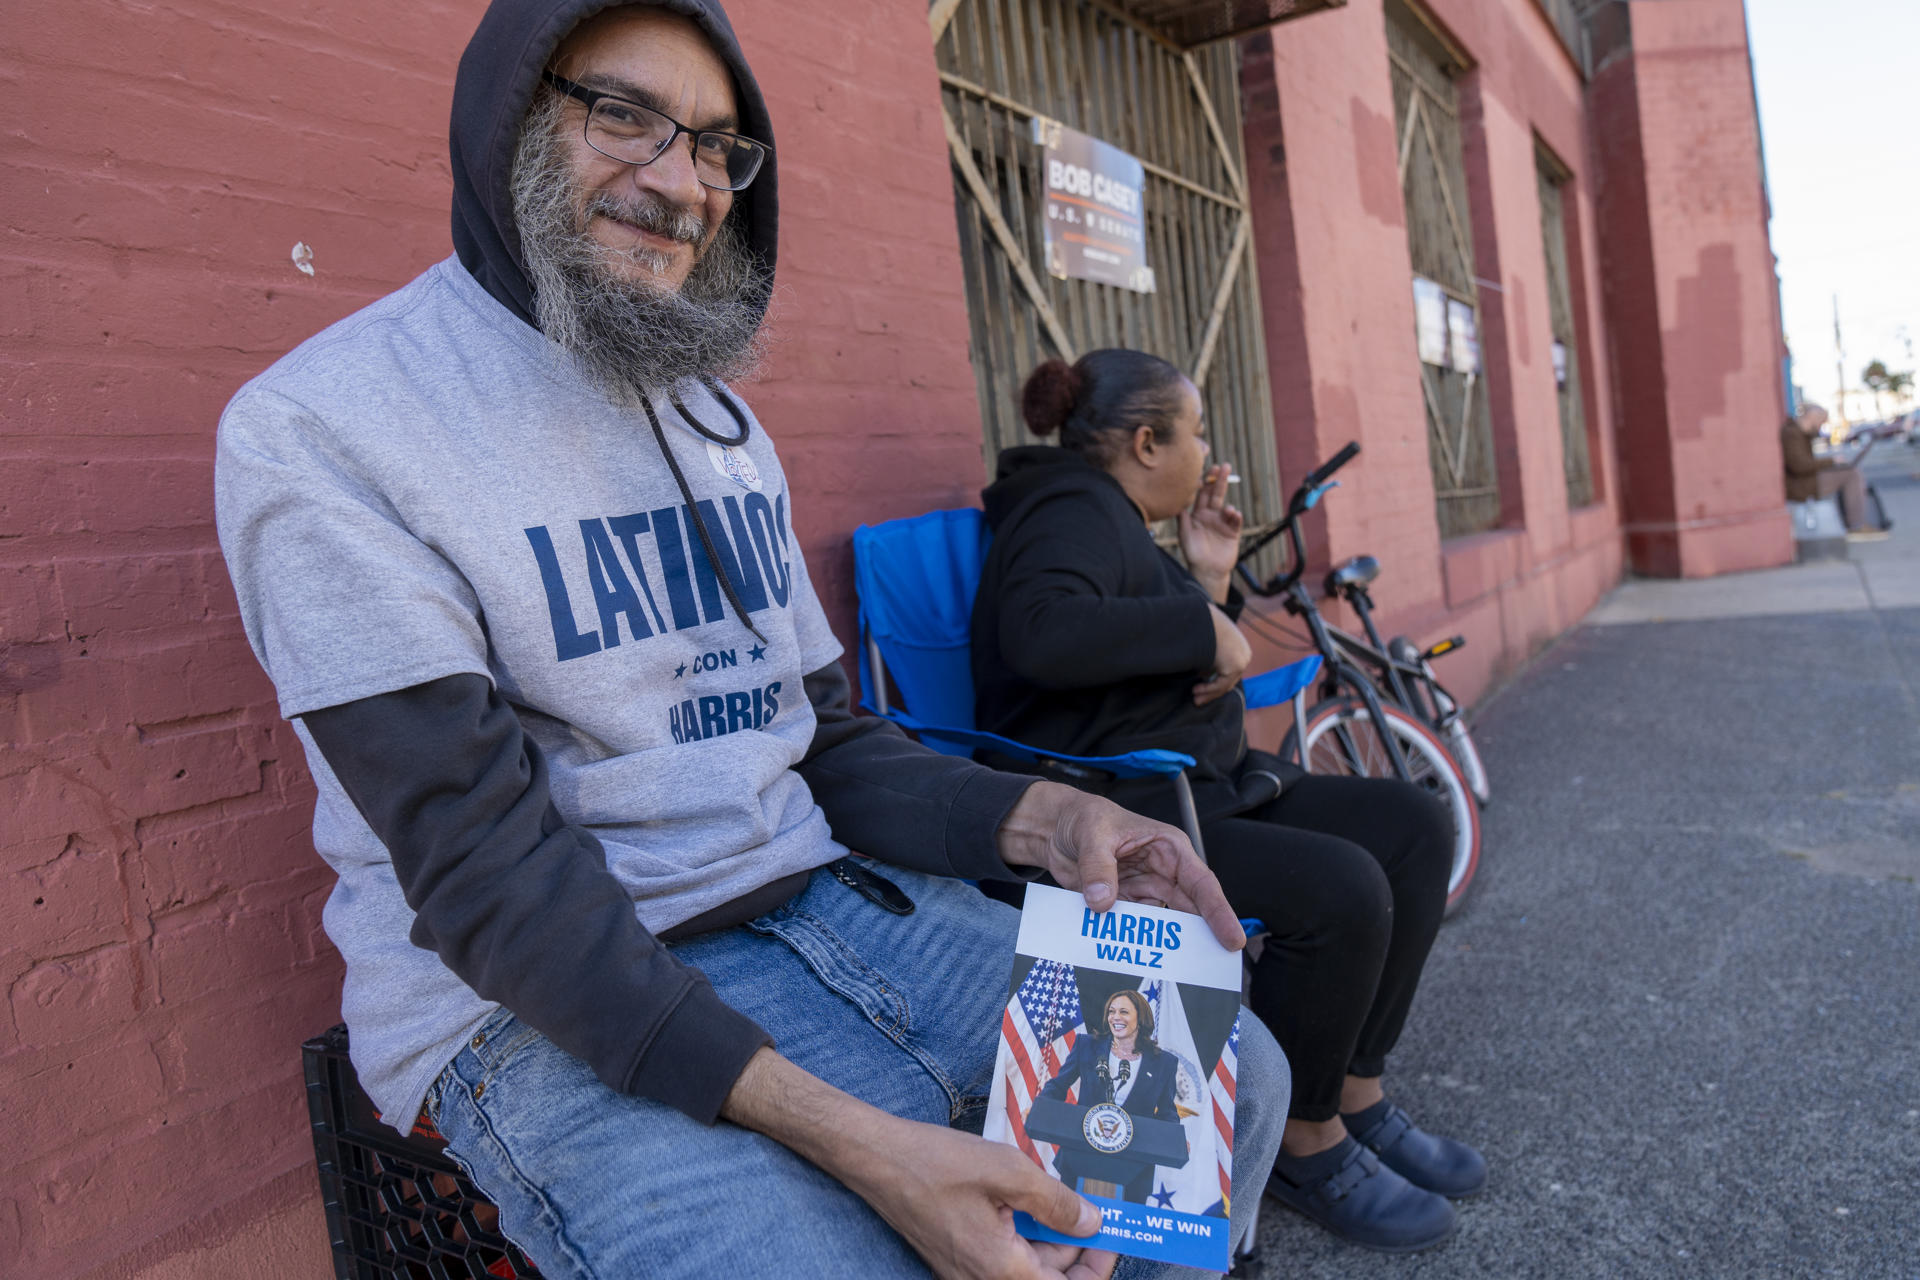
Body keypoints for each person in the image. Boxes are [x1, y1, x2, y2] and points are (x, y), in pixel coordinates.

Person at [212, 5, 1290, 1277]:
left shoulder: (718, 420)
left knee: (1229, 1072)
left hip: (834, 909)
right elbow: (491, 882)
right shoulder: (327, 428)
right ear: (503, 116)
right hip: (537, 1004)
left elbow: (821, 739)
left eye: (720, 148)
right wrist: (870, 1144)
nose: (679, 182)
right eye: (622, 114)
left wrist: (1054, 820)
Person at [972, 350, 1489, 1253]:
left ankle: (1353, 1091)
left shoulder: (1116, 517)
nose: (1205, 449)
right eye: (1195, 430)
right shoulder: (1064, 509)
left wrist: (1209, 578)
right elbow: (1043, 632)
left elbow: (1147, 662)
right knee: (1340, 888)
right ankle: (1303, 1139)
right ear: (1144, 442)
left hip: (1199, 786)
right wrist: (1202, 623)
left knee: (1413, 825)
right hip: (1124, 807)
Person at [1035, 990, 1183, 1204]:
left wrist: (1173, 1137)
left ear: (1140, 1019)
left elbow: (1167, 1111)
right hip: (1081, 1158)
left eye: (1124, 1012)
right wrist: (1040, 1109)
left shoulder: (1164, 1063)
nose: (1116, 1017)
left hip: (1133, 1167)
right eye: (1112, 1011)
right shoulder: (1087, 1046)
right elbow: (1058, 1085)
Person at [1782, 402, 1888, 537]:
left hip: (1806, 480)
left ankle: (1854, 522)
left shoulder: (1801, 433)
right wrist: (1831, 461)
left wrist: (1831, 462)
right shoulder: (1792, 434)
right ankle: (1856, 526)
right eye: (1821, 422)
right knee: (1851, 475)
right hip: (1801, 486)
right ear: (1812, 417)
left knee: (1848, 471)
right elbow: (1799, 466)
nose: (1821, 426)